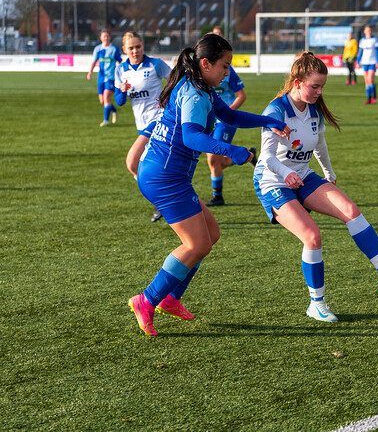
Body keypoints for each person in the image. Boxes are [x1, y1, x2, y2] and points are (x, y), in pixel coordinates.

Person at [128, 34, 290, 337]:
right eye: (224, 66)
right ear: (206, 64)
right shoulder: (194, 93)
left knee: (210, 235)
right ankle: (147, 299)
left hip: (168, 175)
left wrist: (266, 122)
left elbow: (229, 115)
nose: (227, 72)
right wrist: (233, 151)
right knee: (197, 244)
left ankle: (171, 299)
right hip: (164, 178)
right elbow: (191, 137)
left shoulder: (202, 87)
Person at [252, 51, 378, 323]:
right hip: (273, 181)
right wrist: (286, 174)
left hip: (303, 176)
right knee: (312, 236)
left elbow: (319, 144)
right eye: (314, 86)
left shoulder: (314, 110)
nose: (319, 92)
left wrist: (328, 172)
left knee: (350, 210)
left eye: (322, 87)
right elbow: (267, 157)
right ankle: (316, 304)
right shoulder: (276, 110)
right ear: (296, 82)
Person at [115, 31, 172, 222]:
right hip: (142, 125)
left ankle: (161, 201)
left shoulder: (155, 64)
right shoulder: (121, 70)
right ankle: (166, 200)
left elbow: (176, 81)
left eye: (138, 46)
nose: (135, 51)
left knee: (132, 162)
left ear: (143, 46)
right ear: (124, 49)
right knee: (150, 168)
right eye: (131, 48)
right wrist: (122, 92)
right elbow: (119, 101)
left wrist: (167, 98)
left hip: (159, 121)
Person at [204, 26, 254, 207]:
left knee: (212, 158)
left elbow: (241, 95)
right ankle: (246, 155)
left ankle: (217, 196)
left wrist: (227, 113)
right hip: (208, 119)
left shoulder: (228, 70)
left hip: (224, 121)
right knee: (216, 161)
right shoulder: (203, 69)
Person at [86, 29, 122, 127]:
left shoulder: (114, 49)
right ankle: (114, 110)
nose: (105, 38)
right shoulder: (98, 49)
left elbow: (120, 62)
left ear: (109, 37)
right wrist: (90, 72)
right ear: (100, 38)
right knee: (103, 101)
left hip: (111, 78)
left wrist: (121, 74)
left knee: (106, 97)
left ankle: (106, 120)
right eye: (103, 36)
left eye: (107, 36)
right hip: (101, 77)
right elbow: (94, 62)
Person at [357, 26, 378, 104]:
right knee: (367, 82)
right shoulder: (362, 41)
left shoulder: (375, 40)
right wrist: (358, 62)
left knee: (370, 79)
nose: (369, 32)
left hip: (372, 62)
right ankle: (368, 99)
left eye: (370, 30)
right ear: (364, 31)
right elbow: (360, 52)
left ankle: (374, 97)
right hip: (365, 62)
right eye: (367, 30)